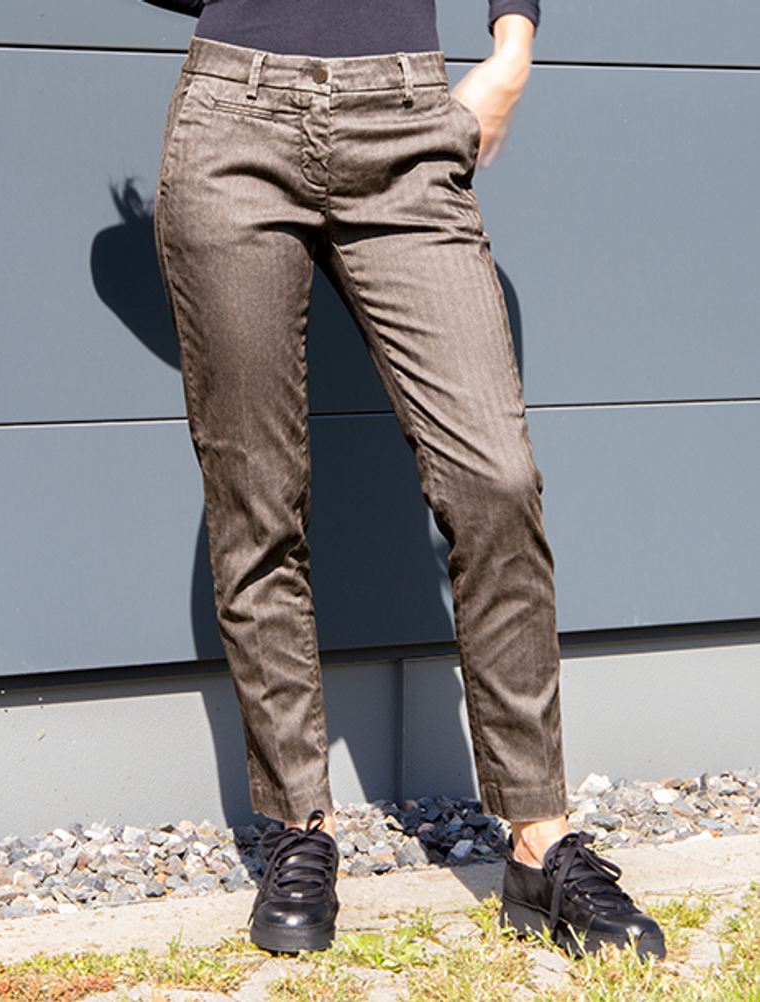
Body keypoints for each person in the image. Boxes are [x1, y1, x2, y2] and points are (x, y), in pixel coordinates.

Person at [147, 0, 665, 960]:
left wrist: (512, 50)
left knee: (495, 480)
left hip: (406, 119)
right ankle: (299, 827)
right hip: (232, 117)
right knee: (258, 500)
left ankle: (538, 840)